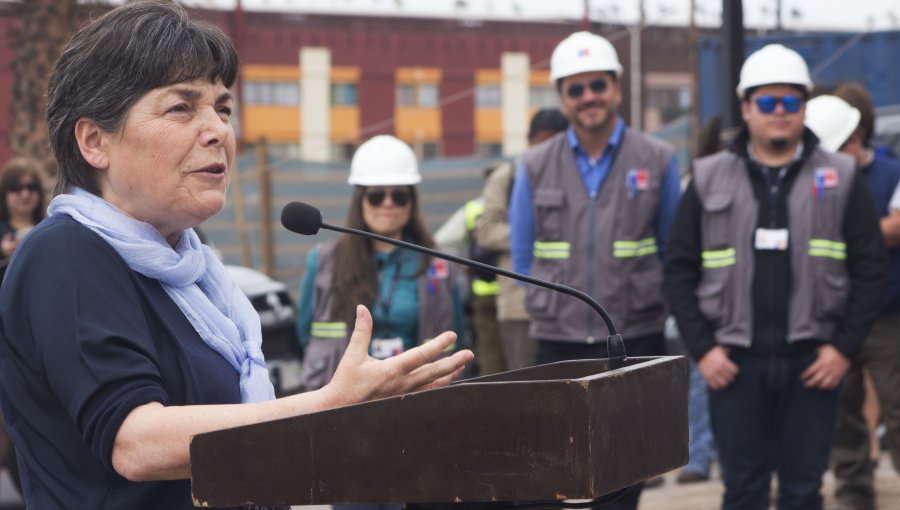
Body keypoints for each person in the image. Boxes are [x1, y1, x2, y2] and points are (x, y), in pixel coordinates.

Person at [0, 3, 473, 509]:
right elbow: (135, 442)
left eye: (223, 109)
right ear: (95, 141)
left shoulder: (195, 273)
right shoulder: (68, 255)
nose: (219, 131)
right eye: (182, 108)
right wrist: (329, 407)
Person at [663, 44, 885, 510]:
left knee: (804, 493)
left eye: (791, 102)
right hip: (734, 368)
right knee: (743, 492)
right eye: (767, 102)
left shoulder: (841, 178)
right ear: (746, 108)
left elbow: (869, 269)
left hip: (814, 366)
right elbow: (679, 270)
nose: (780, 113)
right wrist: (704, 351)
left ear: (804, 106)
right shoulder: (708, 178)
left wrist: (842, 350)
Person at [508, 31, 681, 510]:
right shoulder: (534, 166)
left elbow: (673, 249)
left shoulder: (658, 159)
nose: (589, 97)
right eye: (576, 88)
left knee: (627, 468)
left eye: (598, 85)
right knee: (554, 467)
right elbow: (523, 257)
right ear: (562, 98)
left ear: (617, 89)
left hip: (632, 338)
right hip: (557, 342)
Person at [297, 134, 465, 394]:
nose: (388, 203)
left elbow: (458, 336)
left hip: (419, 395)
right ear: (360, 200)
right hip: (346, 401)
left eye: (399, 195)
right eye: (376, 195)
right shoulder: (323, 261)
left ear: (412, 202)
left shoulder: (441, 265)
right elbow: (304, 334)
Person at [806, 89, 900, 510]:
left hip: (887, 316)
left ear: (855, 142)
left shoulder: (892, 174)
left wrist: (849, 235)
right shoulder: (817, 178)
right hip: (835, 315)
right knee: (841, 409)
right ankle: (853, 490)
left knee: (896, 403)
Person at [475, 108, 568, 371]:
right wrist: (531, 234)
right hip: (520, 306)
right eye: (543, 143)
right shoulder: (508, 177)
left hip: (569, 304)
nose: (548, 152)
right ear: (529, 142)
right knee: (528, 385)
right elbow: (486, 230)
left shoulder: (576, 177)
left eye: (556, 143)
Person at [0, 157, 46, 263]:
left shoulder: (50, 226)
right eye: (16, 188)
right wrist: (2, 252)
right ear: (4, 194)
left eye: (31, 187)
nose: (25, 194)